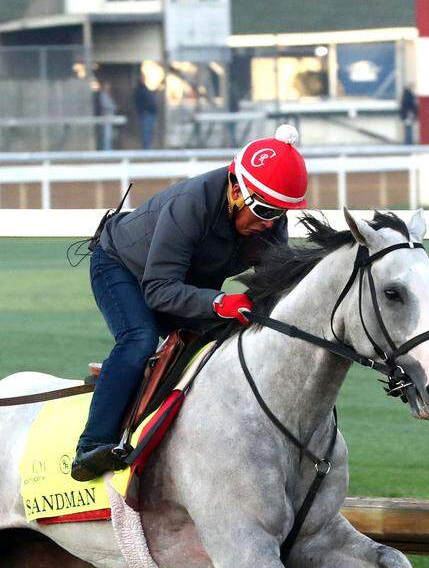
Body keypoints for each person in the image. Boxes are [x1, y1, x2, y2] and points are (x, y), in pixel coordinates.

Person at [70, 124, 309, 481]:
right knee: (139, 338)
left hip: (180, 280)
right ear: (234, 188)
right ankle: (92, 445)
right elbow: (159, 290)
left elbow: (273, 286)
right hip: (122, 267)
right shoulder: (191, 205)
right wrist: (218, 302)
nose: (265, 223)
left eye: (276, 213)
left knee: (233, 338)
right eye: (260, 210)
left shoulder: (269, 222)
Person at [133, 71, 159, 150]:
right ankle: (146, 150)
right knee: (146, 132)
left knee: (149, 132)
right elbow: (138, 102)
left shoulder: (145, 88)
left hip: (150, 113)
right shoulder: (139, 89)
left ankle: (148, 149)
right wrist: (142, 111)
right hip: (146, 114)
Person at [96, 80, 117, 151]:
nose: (108, 87)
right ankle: (106, 150)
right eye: (107, 86)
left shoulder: (108, 95)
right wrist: (113, 107)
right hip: (106, 117)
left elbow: (112, 105)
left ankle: (108, 149)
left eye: (109, 86)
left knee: (109, 135)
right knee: (106, 135)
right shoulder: (103, 95)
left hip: (110, 117)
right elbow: (106, 105)